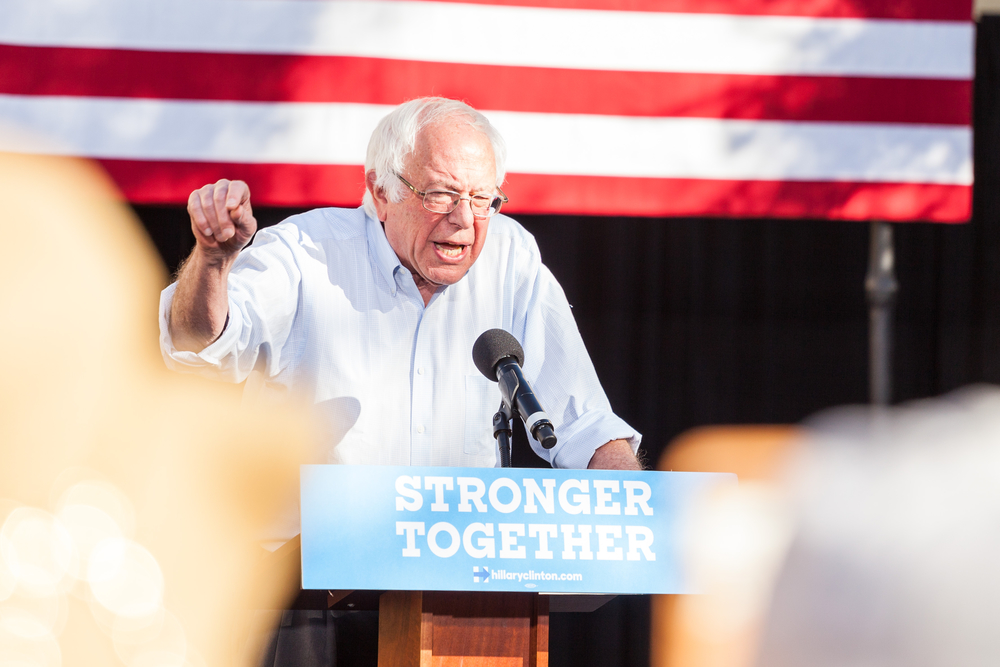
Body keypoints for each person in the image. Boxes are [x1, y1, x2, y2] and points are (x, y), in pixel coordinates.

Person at [159, 97, 641, 474]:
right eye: (440, 195)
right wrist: (214, 262)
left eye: (481, 199)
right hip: (306, 581)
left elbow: (584, 423)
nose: (463, 222)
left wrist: (633, 517)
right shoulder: (305, 251)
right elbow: (196, 346)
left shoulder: (511, 257)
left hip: (458, 579)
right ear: (380, 191)